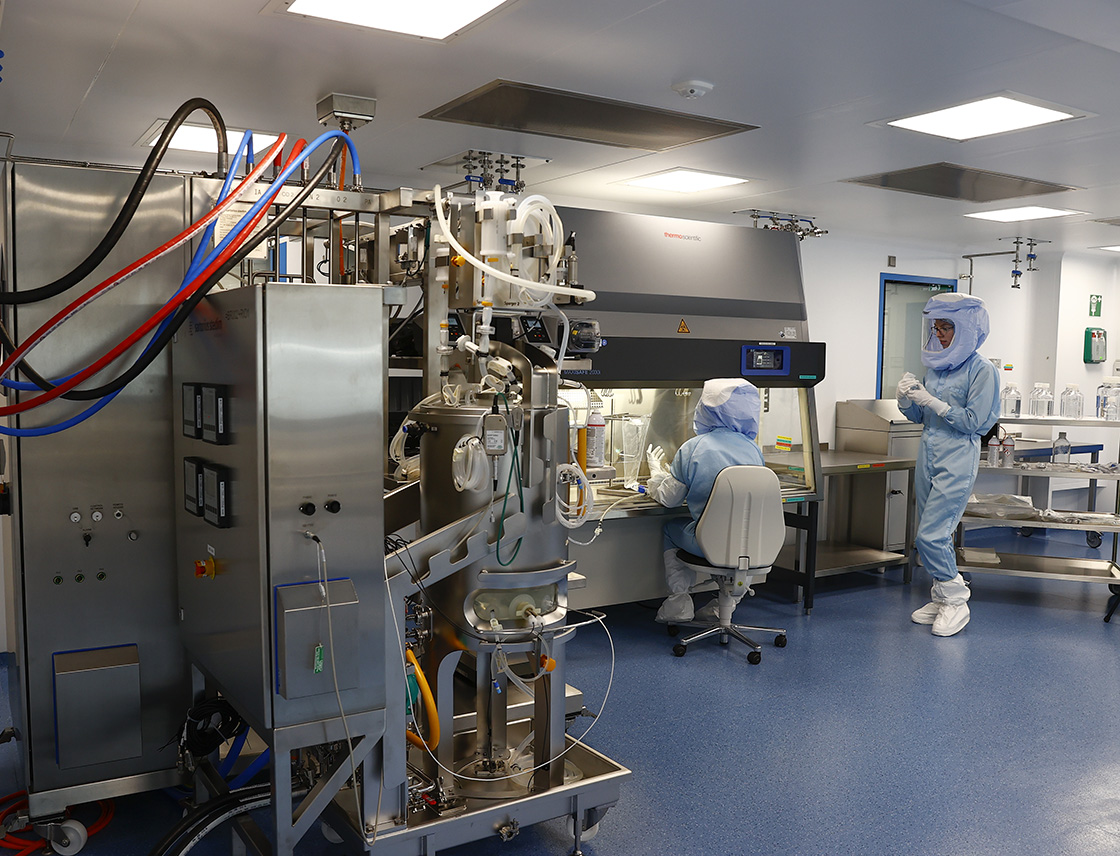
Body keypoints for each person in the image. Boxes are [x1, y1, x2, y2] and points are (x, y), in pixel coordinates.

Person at [897, 292, 999, 637]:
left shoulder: (983, 370)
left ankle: (957, 599)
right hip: (928, 454)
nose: (938, 334)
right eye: (936, 327)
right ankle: (941, 597)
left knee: (932, 535)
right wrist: (906, 398)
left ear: (966, 328)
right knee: (930, 534)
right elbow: (920, 416)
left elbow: (974, 423)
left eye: (946, 327)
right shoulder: (937, 367)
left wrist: (935, 402)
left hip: (957, 456)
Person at [644, 378, 766, 623]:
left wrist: (656, 476)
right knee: (746, 543)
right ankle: (726, 606)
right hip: (753, 545)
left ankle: (679, 603)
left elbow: (669, 500)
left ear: (706, 409)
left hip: (708, 543)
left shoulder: (693, 448)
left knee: (671, 528)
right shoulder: (754, 450)